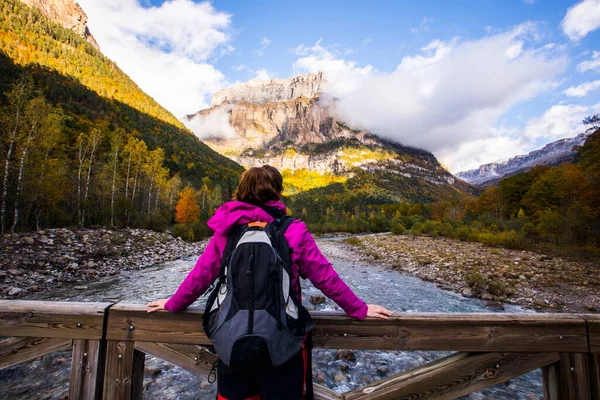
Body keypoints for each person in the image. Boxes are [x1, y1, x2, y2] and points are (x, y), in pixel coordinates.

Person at [147, 165, 392, 400]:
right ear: (279, 193)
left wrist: (173, 304)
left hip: (232, 347)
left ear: (241, 191)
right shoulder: (293, 231)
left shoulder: (226, 230)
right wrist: (359, 308)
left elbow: (199, 277)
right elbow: (325, 277)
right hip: (282, 347)